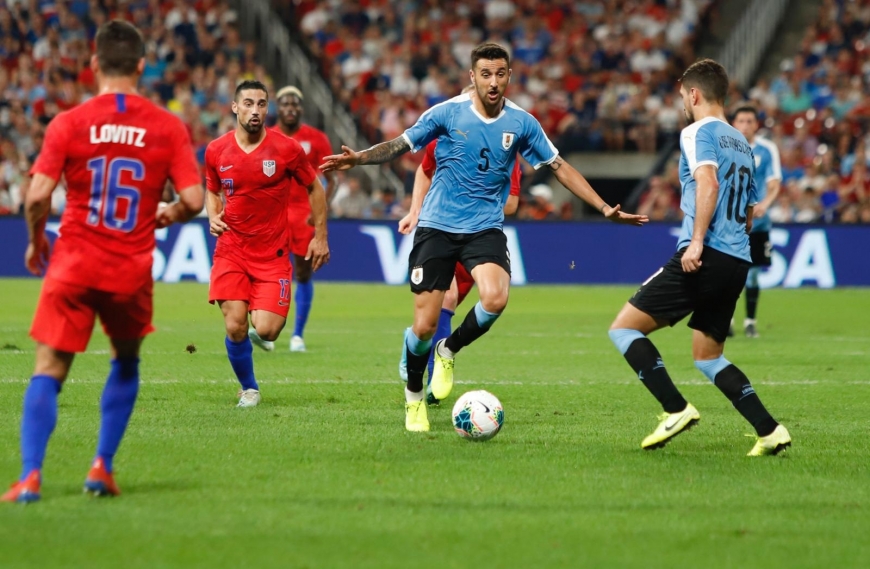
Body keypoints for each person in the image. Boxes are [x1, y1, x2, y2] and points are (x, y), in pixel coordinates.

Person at [322, 43, 646, 432]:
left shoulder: (522, 123)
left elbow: (559, 166)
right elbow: (401, 146)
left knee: (495, 298)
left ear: (509, 76)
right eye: (486, 74)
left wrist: (604, 206)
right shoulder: (446, 113)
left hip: (484, 228)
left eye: (500, 74)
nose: (493, 82)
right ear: (472, 77)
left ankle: (450, 348)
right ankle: (413, 401)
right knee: (422, 327)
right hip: (437, 227)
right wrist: (359, 157)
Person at [2, 20, 205, 503]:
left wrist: (35, 240)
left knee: (49, 367)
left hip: (72, 262)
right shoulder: (167, 126)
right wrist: (169, 212)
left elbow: (36, 196)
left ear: (92, 65)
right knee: (126, 360)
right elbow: (195, 199)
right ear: (141, 66)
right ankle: (101, 467)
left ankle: (31, 477)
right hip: (130, 269)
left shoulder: (69, 123)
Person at [607, 59, 791, 456]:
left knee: (623, 330)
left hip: (706, 254)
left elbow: (707, 182)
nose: (682, 105)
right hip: (737, 259)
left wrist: (696, 241)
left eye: (681, 97)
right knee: (708, 358)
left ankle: (675, 408)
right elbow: (749, 209)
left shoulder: (697, 132)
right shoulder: (742, 143)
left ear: (693, 94)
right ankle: (770, 430)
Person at [205, 80, 330, 408]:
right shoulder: (216, 150)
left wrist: (320, 236)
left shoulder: (287, 149)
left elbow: (315, 189)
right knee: (235, 325)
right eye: (248, 103)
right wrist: (212, 215)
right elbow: (211, 188)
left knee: (268, 330)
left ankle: (278, 333)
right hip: (231, 248)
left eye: (261, 104)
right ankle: (249, 388)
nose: (255, 110)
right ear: (235, 107)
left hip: (272, 254)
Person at [397, 115, 522, 405]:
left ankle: (425, 345)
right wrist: (415, 210)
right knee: (447, 298)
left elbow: (513, 203)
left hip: (479, 235)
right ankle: (428, 387)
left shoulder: (506, 147)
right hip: (440, 229)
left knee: (481, 302)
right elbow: (424, 171)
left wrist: (474, 199)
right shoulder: (444, 136)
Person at [272, 86, 336, 352]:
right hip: (272, 214)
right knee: (269, 271)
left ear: (300, 108)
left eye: (295, 104)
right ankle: (265, 330)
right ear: (278, 108)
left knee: (302, 272)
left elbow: (332, 180)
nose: (290, 108)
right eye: (285, 104)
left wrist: (320, 211)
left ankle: (297, 335)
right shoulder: (267, 136)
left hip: (303, 216)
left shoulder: (316, 138)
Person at [731, 106, 781, 338]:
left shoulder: (767, 149)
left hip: (758, 223)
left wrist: (765, 205)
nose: (746, 125)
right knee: (728, 272)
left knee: (751, 274)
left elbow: (773, 183)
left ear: (756, 125)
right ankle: (727, 320)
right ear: (734, 124)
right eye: (741, 120)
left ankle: (750, 321)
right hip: (729, 223)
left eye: (750, 121)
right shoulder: (725, 148)